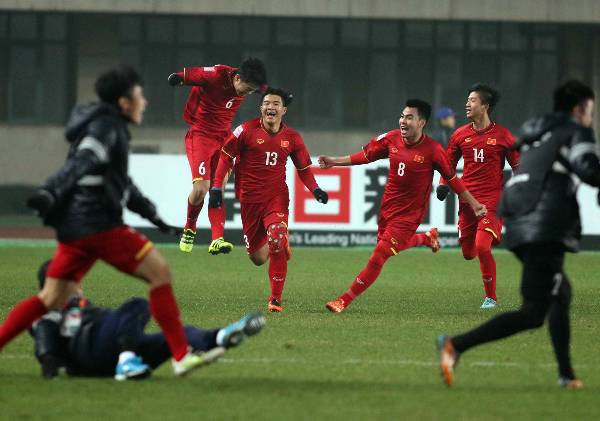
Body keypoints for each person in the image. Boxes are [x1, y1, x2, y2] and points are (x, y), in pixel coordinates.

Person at [0, 65, 209, 377]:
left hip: (75, 230)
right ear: (124, 102)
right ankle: (181, 354)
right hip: (100, 227)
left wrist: (155, 218)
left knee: (50, 298)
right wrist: (50, 190)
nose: (145, 102)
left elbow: (122, 183)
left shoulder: (106, 127)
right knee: (160, 273)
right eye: (140, 95)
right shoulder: (106, 129)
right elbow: (82, 162)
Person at [437, 80, 600, 389]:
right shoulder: (576, 131)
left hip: (516, 216)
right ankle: (455, 346)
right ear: (580, 109)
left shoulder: (535, 127)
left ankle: (566, 374)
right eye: (591, 111)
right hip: (543, 226)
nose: (591, 118)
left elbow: (524, 165)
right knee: (534, 310)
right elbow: (588, 168)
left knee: (555, 298)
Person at [320, 99, 487, 313]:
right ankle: (426, 238)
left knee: (379, 255)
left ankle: (343, 300)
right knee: (390, 249)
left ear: (421, 122)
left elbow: (452, 178)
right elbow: (366, 156)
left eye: (409, 117)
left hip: (409, 216)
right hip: (387, 210)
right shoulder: (391, 139)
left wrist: (474, 204)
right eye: (402, 116)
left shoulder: (433, 150)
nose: (403, 121)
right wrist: (335, 161)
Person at [31, 260, 265, 380]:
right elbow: (45, 331)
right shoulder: (50, 309)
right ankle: (127, 361)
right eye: (71, 278)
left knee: (172, 338)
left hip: (100, 361)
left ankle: (221, 336)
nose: (77, 282)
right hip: (94, 346)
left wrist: (54, 363)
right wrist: (49, 361)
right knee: (138, 305)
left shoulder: (69, 306)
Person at [208, 88, 329, 313]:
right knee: (258, 257)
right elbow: (226, 158)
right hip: (249, 201)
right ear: (261, 108)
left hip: (276, 197)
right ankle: (281, 242)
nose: (270, 107)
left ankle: (275, 300)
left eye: (275, 104)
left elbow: (303, 168)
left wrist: (316, 189)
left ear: (283, 110)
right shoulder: (245, 131)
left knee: (275, 239)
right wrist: (216, 187)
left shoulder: (292, 138)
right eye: (266, 103)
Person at [168, 58, 268, 254]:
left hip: (224, 139)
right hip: (200, 136)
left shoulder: (249, 84)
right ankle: (190, 227)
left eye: (250, 91)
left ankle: (217, 239)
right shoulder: (215, 75)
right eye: (245, 89)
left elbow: (264, 88)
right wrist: (177, 78)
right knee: (201, 188)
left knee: (218, 188)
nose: (246, 94)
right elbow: (191, 75)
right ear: (237, 78)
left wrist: (282, 96)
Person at [436, 84, 519, 309]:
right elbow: (448, 164)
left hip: (492, 200)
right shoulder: (460, 135)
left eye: (472, 100)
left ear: (485, 106)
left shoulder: (503, 135)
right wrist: (443, 184)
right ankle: (481, 242)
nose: (467, 104)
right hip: (466, 201)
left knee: (483, 247)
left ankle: (490, 297)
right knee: (468, 252)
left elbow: (517, 165)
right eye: (467, 99)